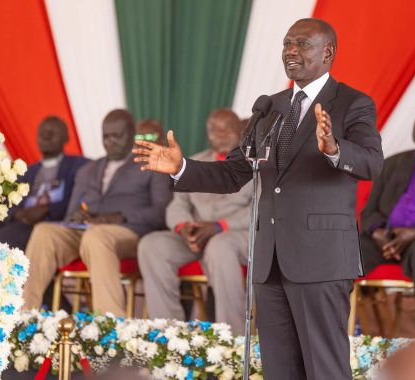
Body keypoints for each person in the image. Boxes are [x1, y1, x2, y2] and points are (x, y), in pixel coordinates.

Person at [133, 18, 383, 380]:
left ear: (328, 52)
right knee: (279, 370)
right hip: (269, 262)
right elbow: (233, 173)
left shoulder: (352, 103)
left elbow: (372, 163)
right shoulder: (270, 108)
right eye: (286, 44)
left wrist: (333, 148)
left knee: (324, 369)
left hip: (321, 260)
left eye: (302, 44)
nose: (291, 51)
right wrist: (182, 167)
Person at [22, 109, 172, 315]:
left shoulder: (153, 166)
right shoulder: (88, 170)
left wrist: (121, 217)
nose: (110, 142)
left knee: (96, 237)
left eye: (116, 136)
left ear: (131, 132)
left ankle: (109, 325)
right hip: (84, 230)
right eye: (105, 137)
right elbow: (70, 214)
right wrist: (77, 216)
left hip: (128, 232)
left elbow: (162, 213)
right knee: (43, 231)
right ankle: (22, 316)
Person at [138, 108, 252, 332]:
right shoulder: (195, 161)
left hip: (237, 234)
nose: (220, 134)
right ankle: (168, 336)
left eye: (226, 127)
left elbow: (261, 207)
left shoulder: (254, 163)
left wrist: (219, 227)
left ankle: (232, 340)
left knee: (220, 247)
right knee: (151, 245)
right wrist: (184, 227)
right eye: (213, 129)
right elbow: (177, 205)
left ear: (239, 129)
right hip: (197, 236)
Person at [360, 107, 415, 337]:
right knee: (346, 250)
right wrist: (377, 233)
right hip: (384, 241)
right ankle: (328, 323)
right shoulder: (392, 163)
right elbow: (369, 212)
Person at [0, 116, 89, 250]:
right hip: (23, 224)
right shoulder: (26, 172)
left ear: (66, 138)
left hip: (55, 226)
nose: (46, 137)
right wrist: (20, 214)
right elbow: (10, 203)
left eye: (52, 133)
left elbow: (77, 200)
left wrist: (47, 209)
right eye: (42, 133)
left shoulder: (79, 165)